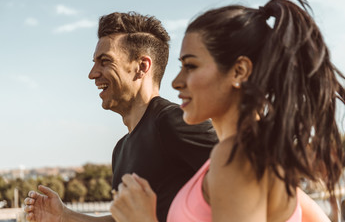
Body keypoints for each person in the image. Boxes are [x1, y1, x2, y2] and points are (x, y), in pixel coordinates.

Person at [109, 0, 345, 222]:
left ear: (239, 71)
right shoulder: (249, 152)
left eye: (191, 66)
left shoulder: (236, 158)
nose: (176, 81)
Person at [23, 12, 218, 222]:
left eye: (105, 61)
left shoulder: (172, 121)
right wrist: (64, 216)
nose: (92, 73)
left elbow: (248, 182)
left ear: (142, 67)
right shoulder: (120, 149)